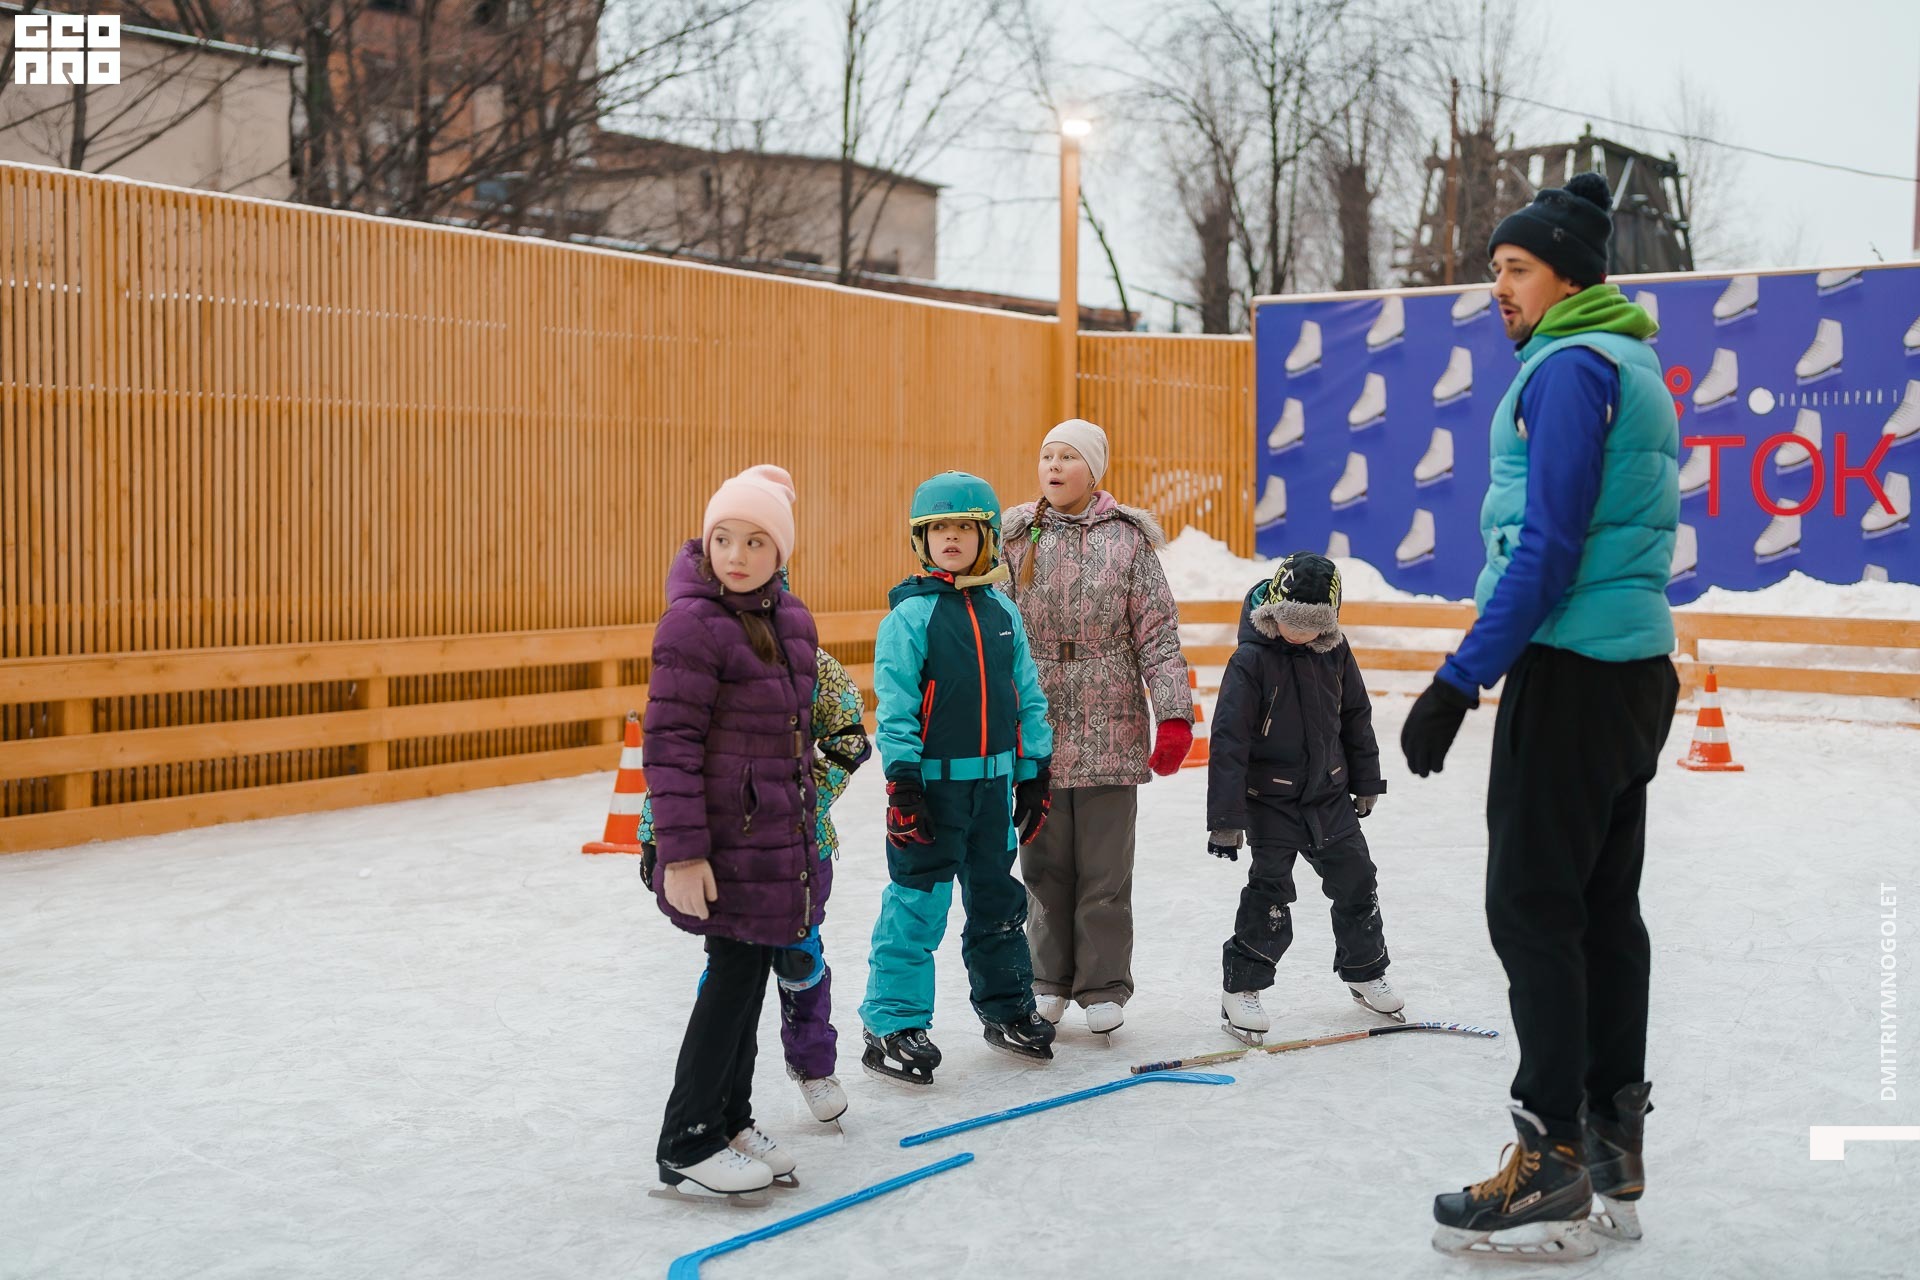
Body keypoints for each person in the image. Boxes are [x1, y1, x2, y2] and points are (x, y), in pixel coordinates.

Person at [1400, 173, 1681, 1260]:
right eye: (1496, 272)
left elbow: (1549, 547)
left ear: (1569, 276)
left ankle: (1550, 1158)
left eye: (1517, 269)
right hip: (1631, 672)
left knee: (1532, 910)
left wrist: (1459, 678)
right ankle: (1612, 1140)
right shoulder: (1629, 362)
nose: (1500, 290)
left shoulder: (1568, 368)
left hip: (1568, 672)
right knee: (1604, 911)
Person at [643, 464, 821, 1201]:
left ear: (780, 552)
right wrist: (681, 853)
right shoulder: (693, 623)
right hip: (721, 845)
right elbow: (670, 745)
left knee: (748, 980)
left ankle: (731, 1120)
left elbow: (794, 745)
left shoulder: (792, 621)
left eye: (755, 541)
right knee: (730, 982)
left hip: (773, 844)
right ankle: (688, 1137)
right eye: (723, 538)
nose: (736, 555)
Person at [858, 471, 1057, 1084]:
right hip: (932, 790)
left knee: (997, 902)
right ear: (921, 540)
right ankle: (892, 1022)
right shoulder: (909, 618)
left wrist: (1035, 772)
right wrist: (903, 783)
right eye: (938, 528)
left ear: (986, 538)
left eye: (963, 528)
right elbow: (895, 709)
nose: (950, 538)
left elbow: (1027, 696)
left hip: (993, 788)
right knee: (917, 904)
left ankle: (1007, 1008)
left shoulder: (1003, 612)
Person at [1000, 418, 1193, 1038]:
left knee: (1106, 868)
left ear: (1094, 470)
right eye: (1046, 455)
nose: (1054, 467)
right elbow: (990, 623)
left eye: (1068, 457)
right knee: (1043, 863)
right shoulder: (1014, 536)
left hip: (1111, 717)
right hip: (1036, 717)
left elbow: (1158, 632)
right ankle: (1048, 980)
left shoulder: (1127, 540)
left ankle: (1104, 984)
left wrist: (1174, 714)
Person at [636, 636, 870, 1126]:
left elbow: (848, 738)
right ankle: (715, 1086)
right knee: (729, 969)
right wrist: (656, 830)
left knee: (800, 955)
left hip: (797, 847)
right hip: (725, 848)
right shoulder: (702, 658)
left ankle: (813, 1066)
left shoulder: (808, 660)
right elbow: (674, 753)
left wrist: (801, 802)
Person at [1203, 552, 1397, 1044]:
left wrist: (1366, 781)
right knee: (1270, 893)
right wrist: (1226, 818)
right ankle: (1241, 989)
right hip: (1269, 800)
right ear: (1273, 608)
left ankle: (1365, 970)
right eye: (1291, 620)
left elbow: (1355, 716)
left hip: (1328, 794)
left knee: (1357, 879)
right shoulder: (1250, 660)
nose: (1299, 633)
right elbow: (1229, 740)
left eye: (1312, 625)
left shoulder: (1335, 651)